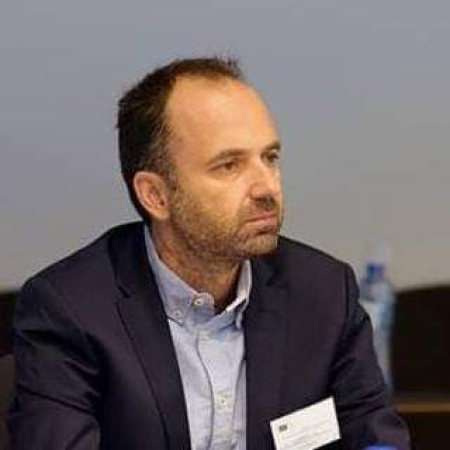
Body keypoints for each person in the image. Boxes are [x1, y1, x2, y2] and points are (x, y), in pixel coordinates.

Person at [8, 57, 410, 449]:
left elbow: (374, 432)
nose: (267, 187)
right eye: (229, 166)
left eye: (270, 158)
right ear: (155, 195)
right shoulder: (70, 310)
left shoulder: (324, 293)